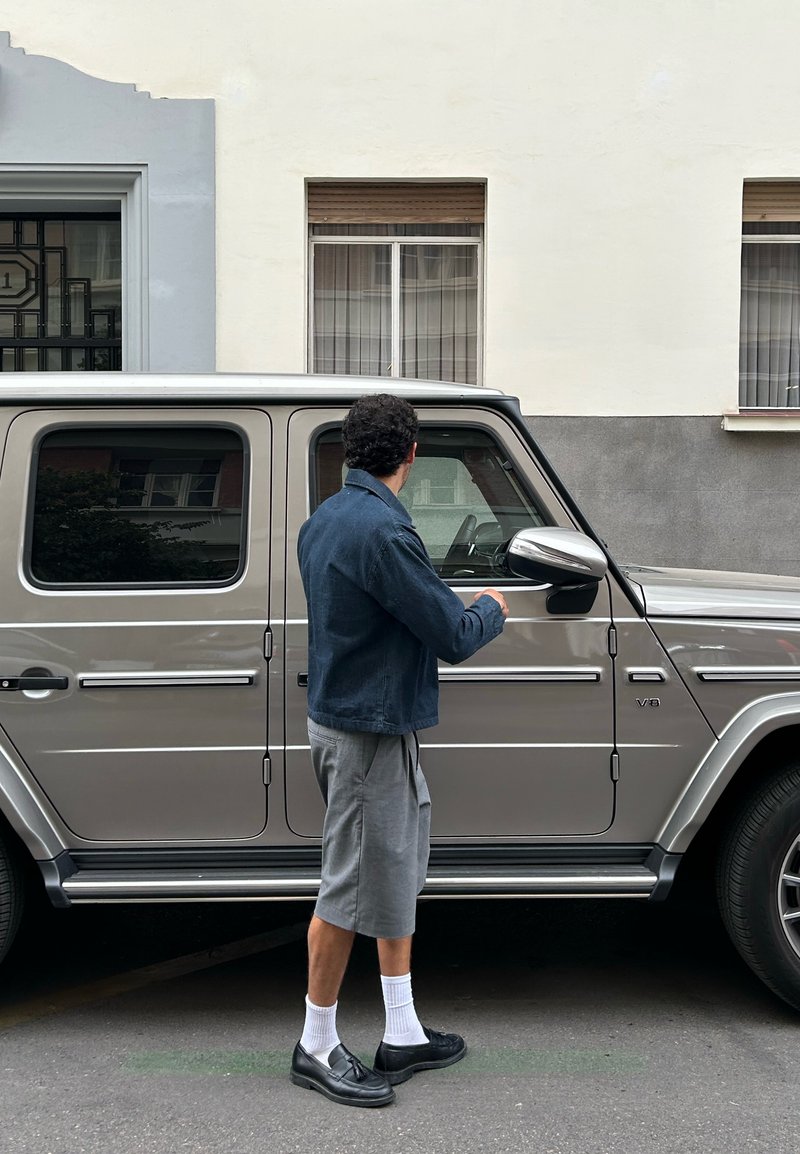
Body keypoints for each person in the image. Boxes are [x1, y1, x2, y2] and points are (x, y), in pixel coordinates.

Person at [291, 393, 509, 1108]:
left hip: (363, 722)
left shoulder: (325, 518)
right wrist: (490, 610)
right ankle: (316, 1045)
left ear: (350, 450)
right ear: (410, 454)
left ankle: (402, 1029)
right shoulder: (383, 531)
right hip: (366, 735)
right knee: (348, 887)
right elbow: (452, 635)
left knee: (390, 876)